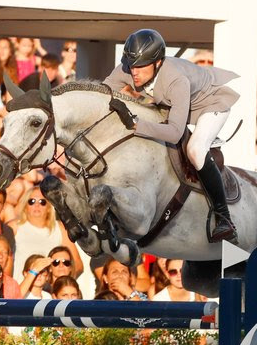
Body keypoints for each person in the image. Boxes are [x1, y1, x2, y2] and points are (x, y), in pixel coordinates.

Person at [102, 29, 239, 242]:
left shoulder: (176, 80)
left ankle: (224, 218)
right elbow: (102, 93)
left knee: (195, 150)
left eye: (140, 66)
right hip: (178, 105)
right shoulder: (128, 68)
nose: (134, 72)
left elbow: (175, 133)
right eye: (130, 65)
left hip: (212, 104)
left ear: (157, 63)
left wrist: (137, 125)